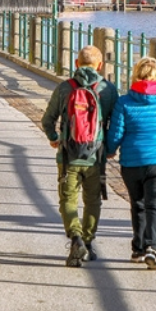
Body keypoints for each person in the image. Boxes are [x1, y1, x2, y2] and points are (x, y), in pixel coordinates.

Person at [41, 45, 118, 267]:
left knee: (68, 199)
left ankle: (75, 238)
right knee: (92, 200)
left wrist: (54, 136)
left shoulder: (65, 88)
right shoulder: (108, 89)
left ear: (76, 64)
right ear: (100, 65)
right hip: (96, 156)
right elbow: (115, 124)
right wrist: (110, 148)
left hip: (68, 156)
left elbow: (48, 119)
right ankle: (88, 242)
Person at [105, 56, 156, 270]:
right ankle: (152, 247)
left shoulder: (124, 102)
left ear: (135, 75)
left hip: (133, 160)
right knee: (155, 205)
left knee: (137, 203)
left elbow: (116, 132)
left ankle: (138, 248)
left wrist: (110, 151)